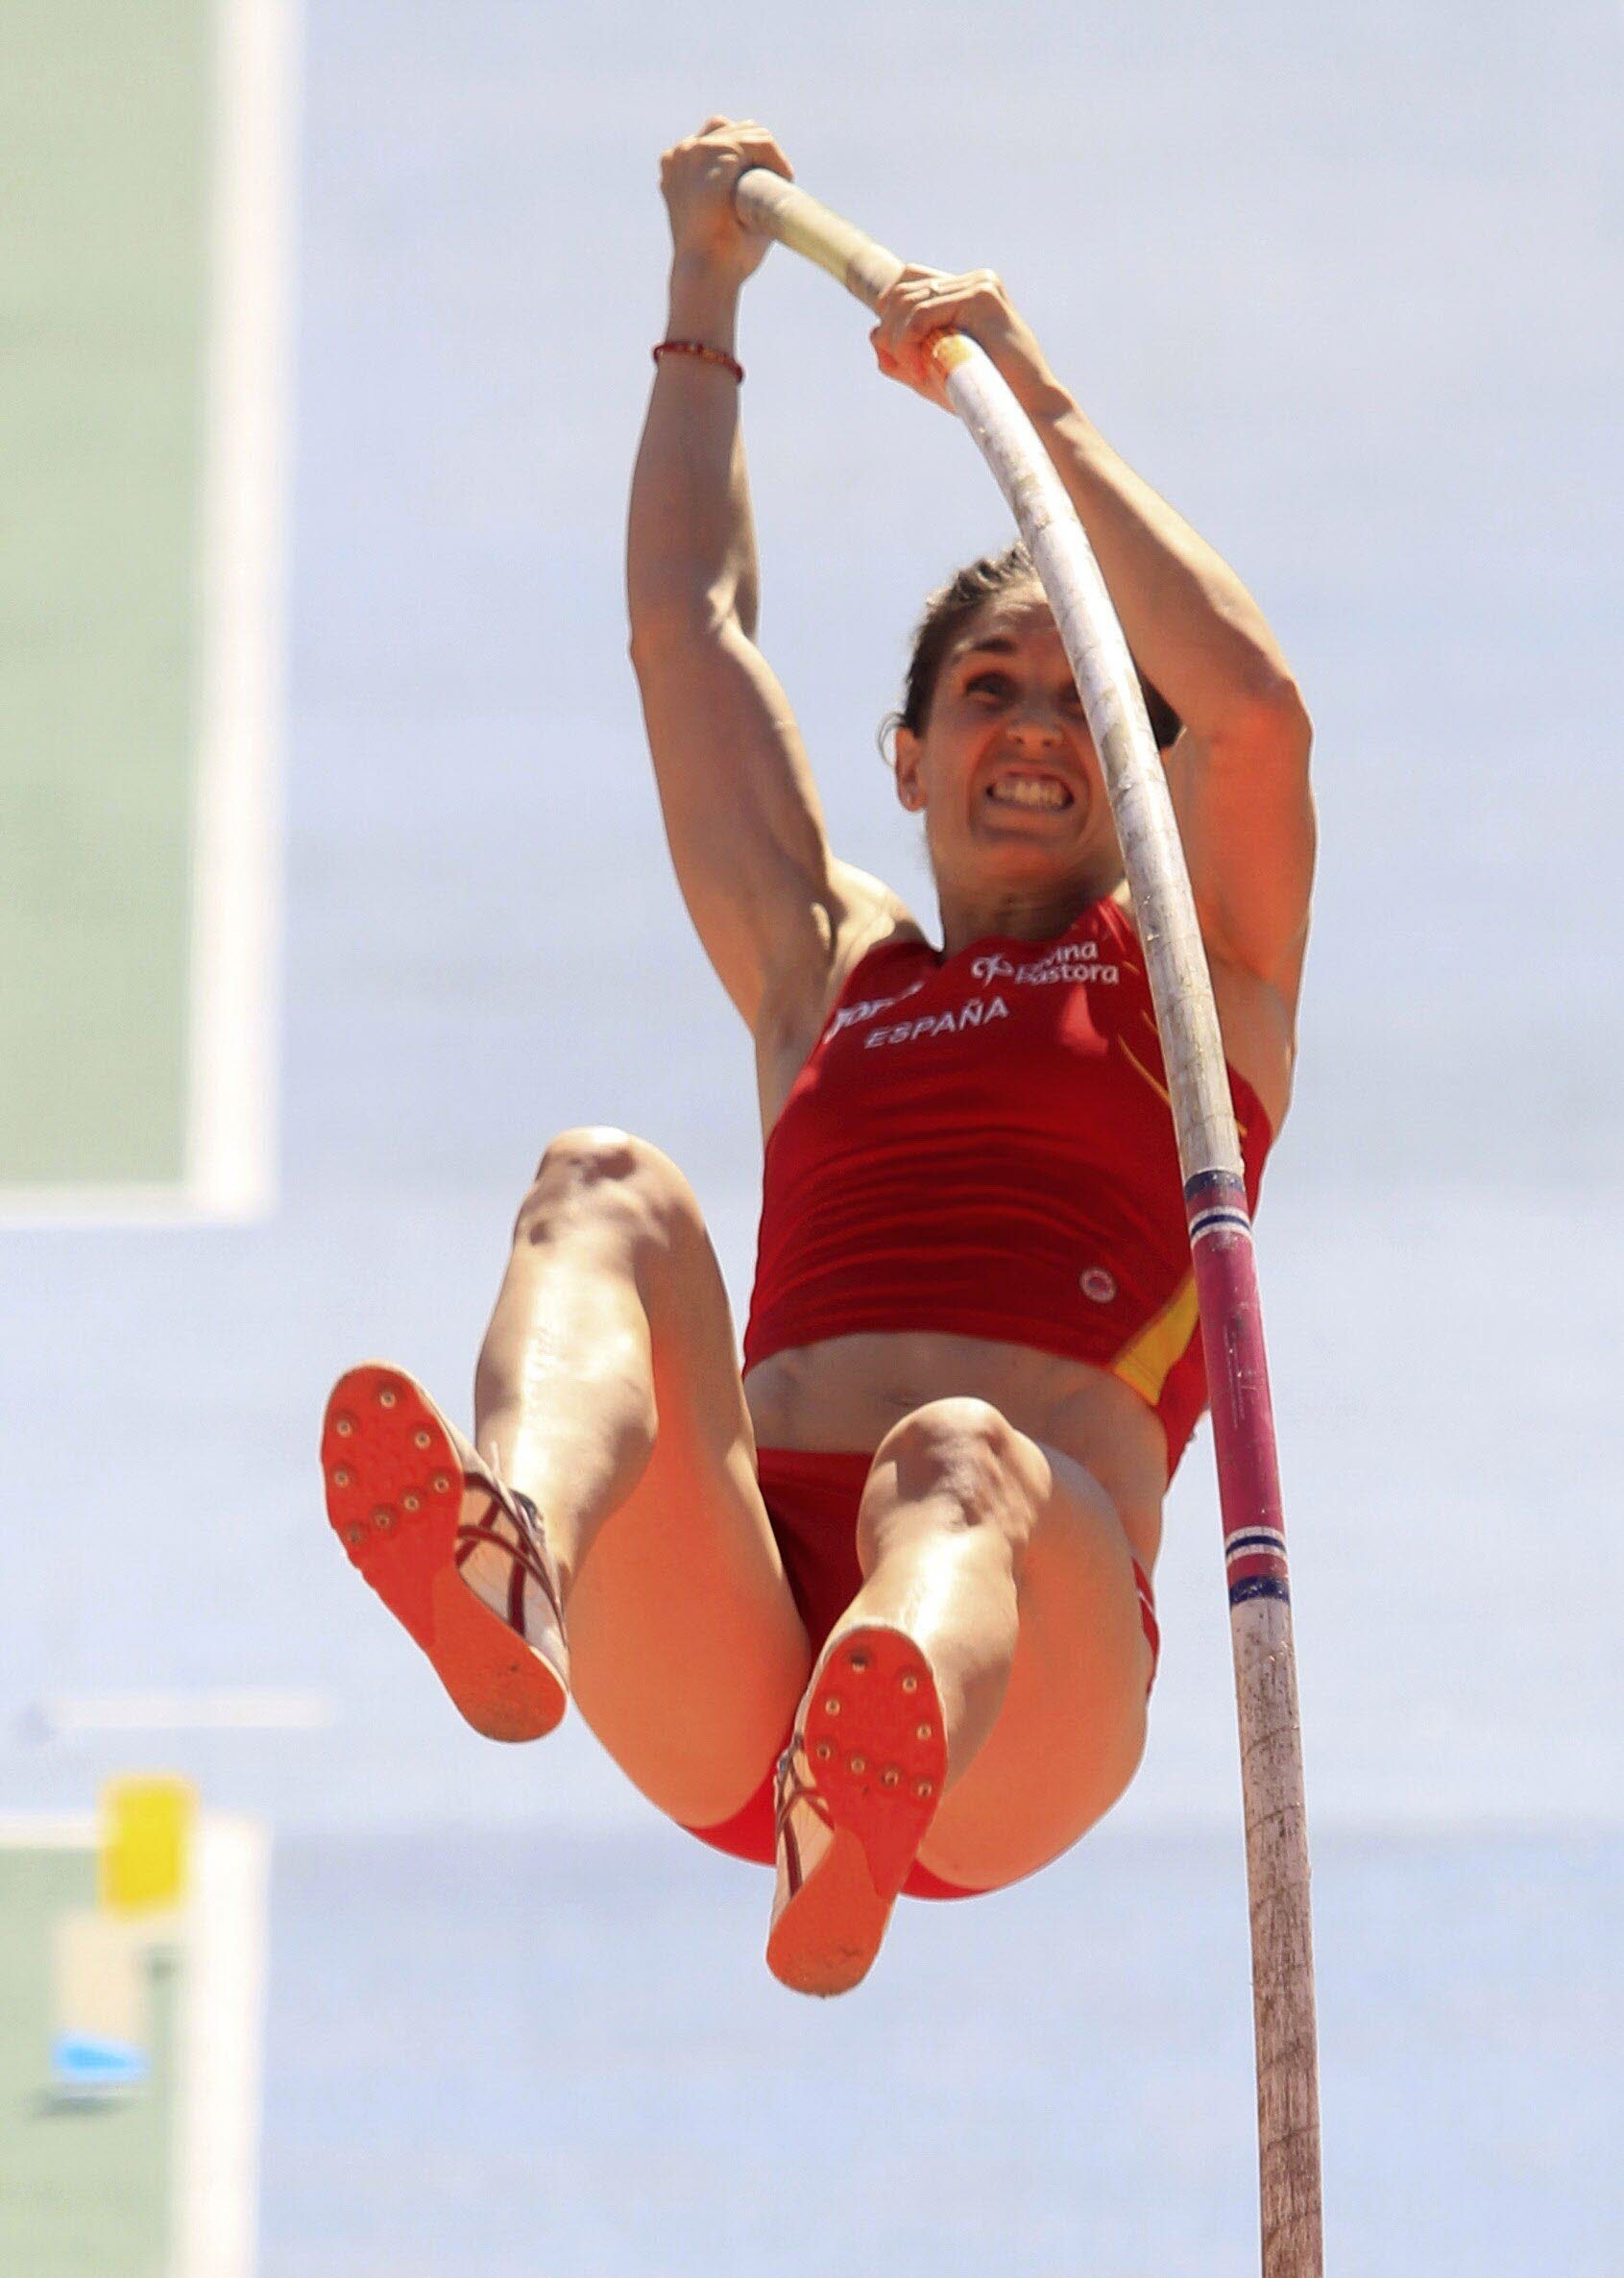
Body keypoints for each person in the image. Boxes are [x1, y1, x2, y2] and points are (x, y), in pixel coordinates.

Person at [321, 114, 1315, 1998]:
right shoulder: (826, 975)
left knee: (955, 1462)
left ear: (1129, 760)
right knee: (604, 1185)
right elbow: (682, 629)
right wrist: (702, 299)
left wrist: (1026, 394)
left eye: (1073, 699)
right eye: (983, 691)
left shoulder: (1203, 980)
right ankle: (512, 1543)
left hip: (1020, 1670)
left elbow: (1254, 720)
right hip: (742, 1639)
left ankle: (873, 1775)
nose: (1031, 727)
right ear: (909, 758)